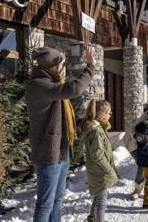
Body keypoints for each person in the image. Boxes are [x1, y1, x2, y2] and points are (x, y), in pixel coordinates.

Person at [25, 45, 95, 222]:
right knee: (45, 203)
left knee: (57, 199)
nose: (65, 69)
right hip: (49, 153)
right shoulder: (39, 85)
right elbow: (75, 89)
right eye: (63, 65)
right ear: (53, 66)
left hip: (61, 150)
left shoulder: (53, 84)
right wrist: (90, 67)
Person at [82, 100, 119, 222]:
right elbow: (98, 156)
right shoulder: (97, 131)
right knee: (102, 202)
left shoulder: (98, 128)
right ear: (102, 115)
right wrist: (109, 170)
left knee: (98, 198)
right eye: (109, 112)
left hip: (96, 170)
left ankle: (92, 218)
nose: (111, 114)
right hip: (100, 172)